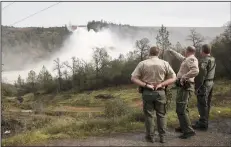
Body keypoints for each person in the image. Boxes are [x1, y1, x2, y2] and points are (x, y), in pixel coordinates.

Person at [131, 46, 176, 143]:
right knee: (161, 115)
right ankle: (162, 137)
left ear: (149, 53)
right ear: (158, 53)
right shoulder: (164, 63)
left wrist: (145, 84)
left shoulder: (142, 64)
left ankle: (150, 137)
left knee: (149, 115)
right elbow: (173, 77)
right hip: (160, 91)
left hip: (147, 92)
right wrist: (162, 84)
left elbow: (133, 78)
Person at [167, 46, 199, 139]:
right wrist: (172, 51)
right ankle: (184, 127)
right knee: (184, 108)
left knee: (181, 109)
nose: (184, 52)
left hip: (186, 86)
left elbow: (195, 71)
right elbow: (180, 57)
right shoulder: (187, 58)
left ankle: (188, 131)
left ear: (187, 51)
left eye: (185, 50)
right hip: (184, 86)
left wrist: (184, 77)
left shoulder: (191, 59)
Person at [193, 44, 216, 131]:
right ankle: (205, 120)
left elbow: (201, 75)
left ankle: (203, 123)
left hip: (204, 84)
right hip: (211, 83)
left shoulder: (204, 61)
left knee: (202, 103)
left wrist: (197, 87)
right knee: (207, 103)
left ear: (202, 51)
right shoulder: (213, 59)